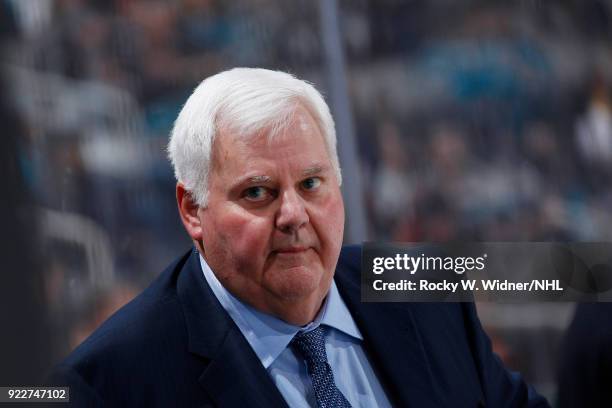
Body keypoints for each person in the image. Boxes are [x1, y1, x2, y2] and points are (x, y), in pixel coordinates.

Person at [50, 68, 549, 407]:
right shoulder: (110, 384)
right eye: (258, 192)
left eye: (311, 184)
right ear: (192, 210)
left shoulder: (426, 291)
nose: (293, 215)